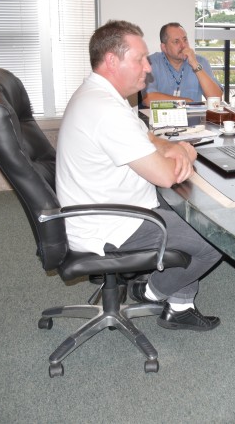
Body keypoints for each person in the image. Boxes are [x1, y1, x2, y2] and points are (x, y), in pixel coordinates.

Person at [57, 20, 222, 332]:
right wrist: (184, 152)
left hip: (108, 204)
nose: (147, 68)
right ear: (111, 61)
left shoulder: (101, 95)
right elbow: (166, 176)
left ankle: (180, 306)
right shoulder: (106, 110)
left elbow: (145, 137)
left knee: (190, 211)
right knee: (215, 238)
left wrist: (169, 145)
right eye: (140, 59)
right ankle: (152, 291)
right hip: (112, 223)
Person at [142, 22, 222, 105]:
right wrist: (185, 102)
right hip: (162, 117)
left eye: (185, 40)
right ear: (164, 47)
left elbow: (216, 99)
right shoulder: (151, 63)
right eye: (176, 41)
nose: (183, 45)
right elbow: (148, 98)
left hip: (193, 117)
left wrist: (195, 65)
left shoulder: (200, 62)